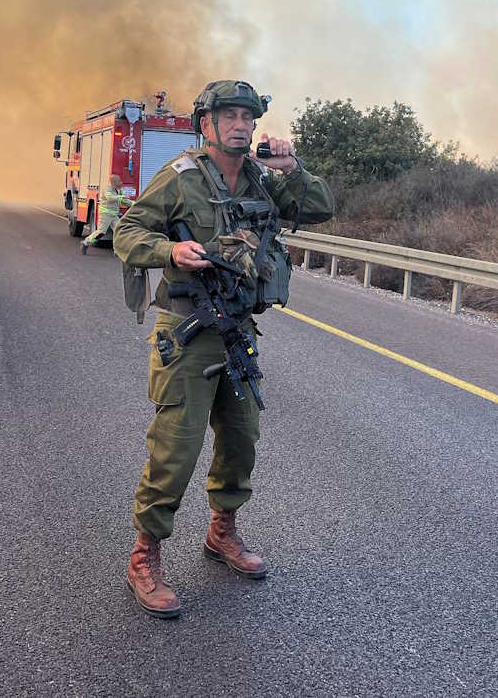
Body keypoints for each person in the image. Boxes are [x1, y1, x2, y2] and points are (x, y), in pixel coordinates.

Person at [113, 79, 335, 618]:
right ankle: (145, 555)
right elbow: (127, 232)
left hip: (237, 330)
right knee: (176, 449)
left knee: (241, 441)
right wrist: (170, 249)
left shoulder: (263, 180)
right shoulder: (181, 179)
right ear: (206, 124)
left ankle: (222, 534)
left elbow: (322, 208)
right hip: (186, 333)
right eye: (229, 115)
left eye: (248, 116)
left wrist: (294, 167)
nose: (240, 124)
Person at [81, 174, 134, 254]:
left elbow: (124, 201)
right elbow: (110, 198)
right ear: (114, 182)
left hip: (114, 215)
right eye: (119, 181)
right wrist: (121, 197)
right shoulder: (107, 189)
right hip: (105, 215)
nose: (121, 183)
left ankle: (117, 251)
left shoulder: (118, 190)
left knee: (118, 231)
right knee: (101, 232)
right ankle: (86, 243)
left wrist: (135, 204)